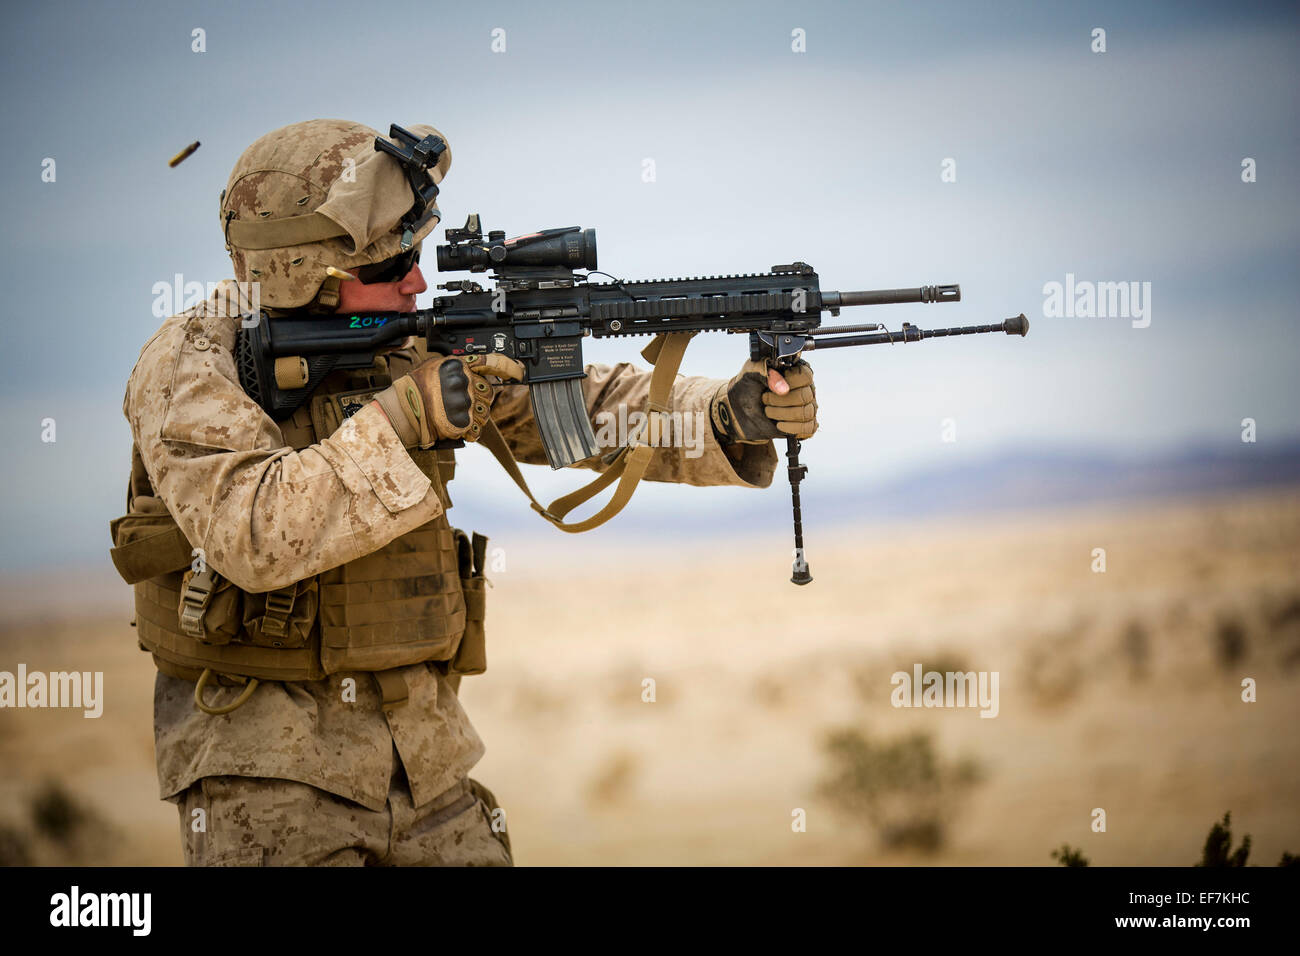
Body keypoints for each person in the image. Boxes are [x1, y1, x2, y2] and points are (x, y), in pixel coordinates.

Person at [110, 119, 818, 866]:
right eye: (393, 265)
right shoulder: (192, 364)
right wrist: (402, 418)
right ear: (297, 272)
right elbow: (250, 531)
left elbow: (581, 407)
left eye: (417, 254)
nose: (417, 280)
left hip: (428, 766)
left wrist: (724, 416)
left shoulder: (407, 338)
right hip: (267, 777)